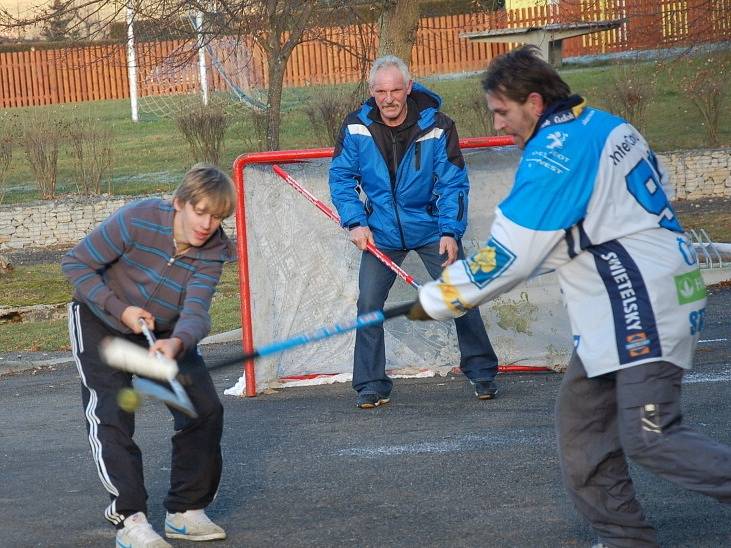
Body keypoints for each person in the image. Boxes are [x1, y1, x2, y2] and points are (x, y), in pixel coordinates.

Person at [408, 45, 731, 547]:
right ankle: (626, 539)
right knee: (583, 425)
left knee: (653, 435)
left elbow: (511, 256)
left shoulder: (554, 153)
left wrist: (436, 299)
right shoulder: (605, 124)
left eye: (501, 112)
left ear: (534, 103)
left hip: (638, 301)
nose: (496, 126)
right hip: (631, 302)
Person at [62, 164, 236, 547]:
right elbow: (76, 264)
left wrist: (177, 343)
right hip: (100, 323)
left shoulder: (213, 249)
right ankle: (131, 519)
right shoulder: (139, 219)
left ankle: (185, 511)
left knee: (203, 408)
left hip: (163, 333)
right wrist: (120, 308)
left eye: (217, 216)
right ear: (180, 203)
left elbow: (196, 310)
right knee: (111, 412)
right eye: (201, 211)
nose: (207, 224)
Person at [328, 55, 500, 409]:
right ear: (371, 91)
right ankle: (371, 385)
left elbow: (453, 184)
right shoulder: (355, 126)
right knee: (369, 306)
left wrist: (450, 231)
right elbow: (341, 178)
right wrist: (356, 222)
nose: (388, 98)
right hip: (381, 234)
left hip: (431, 229)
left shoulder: (438, 125)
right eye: (380, 91)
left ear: (408, 87)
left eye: (395, 90)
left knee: (461, 294)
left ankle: (482, 371)